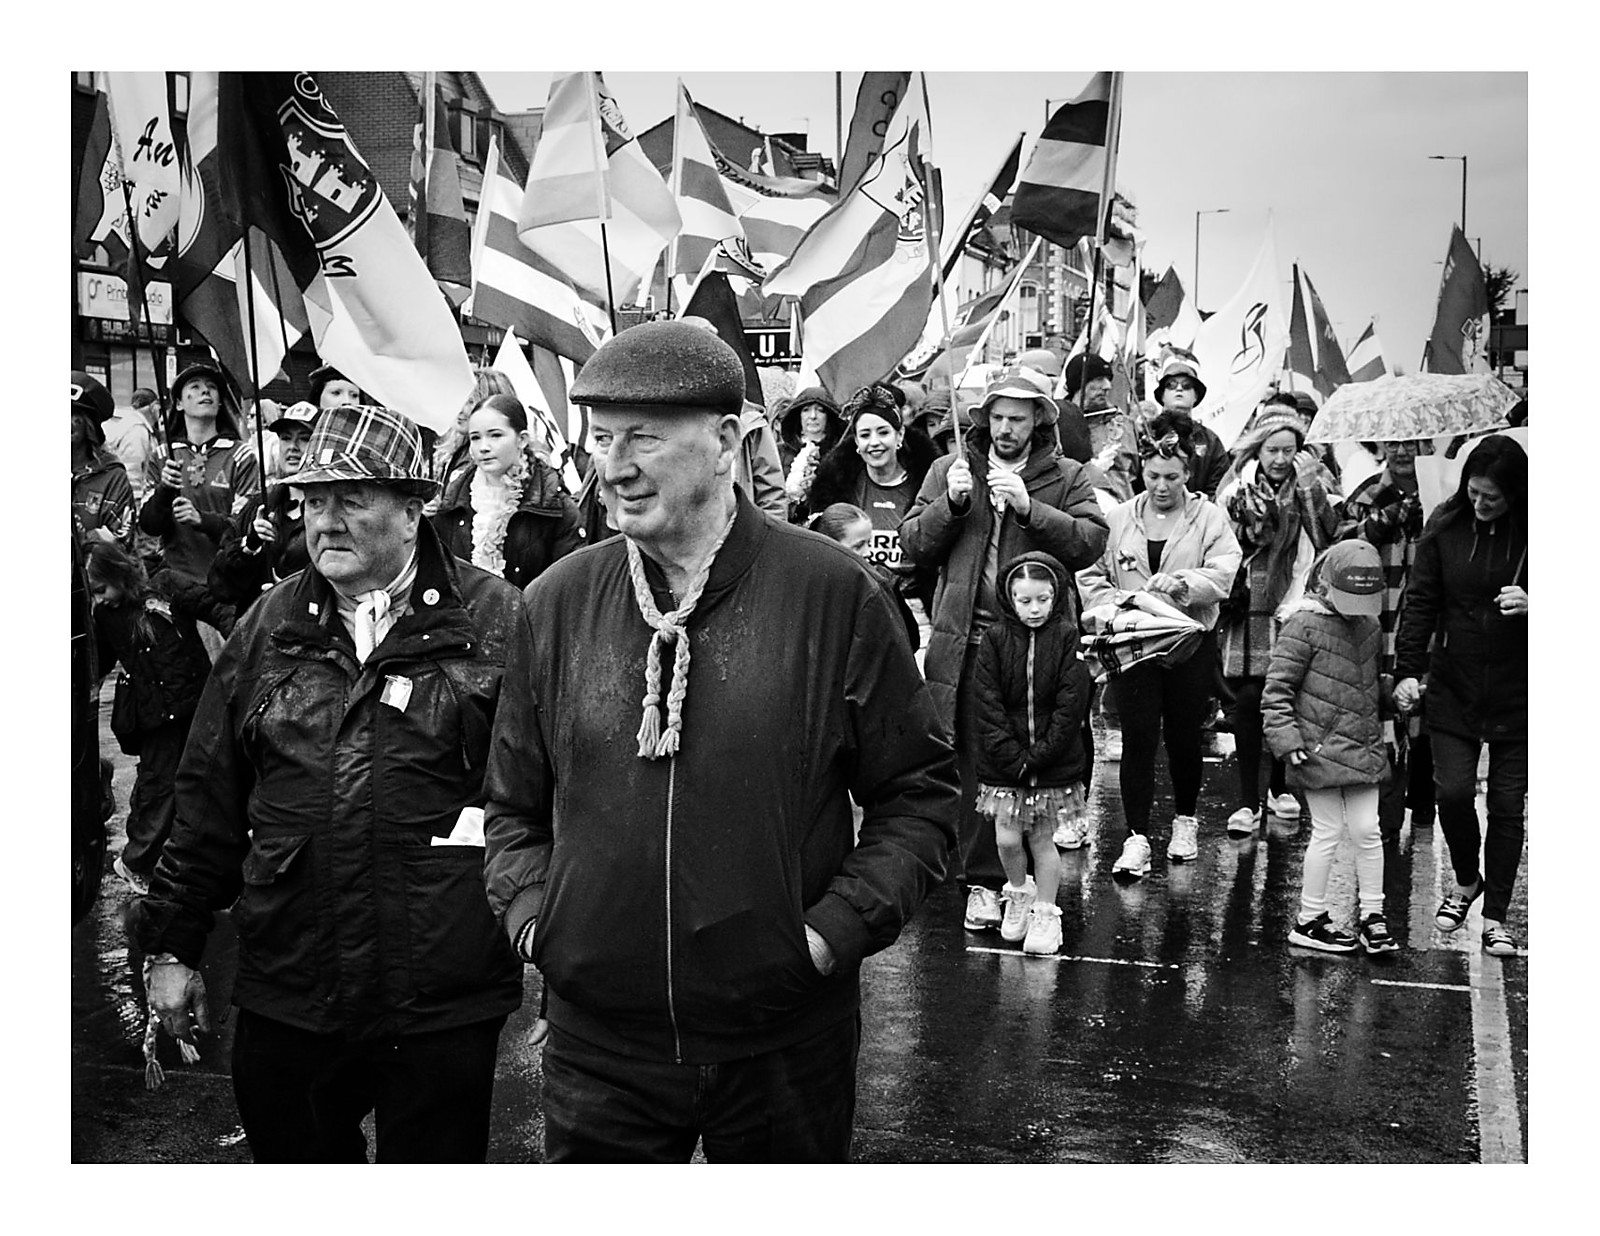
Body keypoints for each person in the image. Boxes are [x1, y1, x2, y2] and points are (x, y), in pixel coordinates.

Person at [481, 321, 957, 1162]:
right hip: (599, 1047)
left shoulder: (834, 594)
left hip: (782, 1040)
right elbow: (513, 803)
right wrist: (536, 921)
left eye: (646, 439)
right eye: (602, 438)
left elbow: (918, 798)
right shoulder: (556, 603)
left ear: (727, 441)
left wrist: (827, 936)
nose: (616, 465)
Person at [127, 403, 526, 1162]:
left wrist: (553, 937)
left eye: (351, 498)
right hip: (292, 979)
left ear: (413, 510)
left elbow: (541, 799)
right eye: (312, 502)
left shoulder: (501, 619)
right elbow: (207, 798)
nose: (326, 521)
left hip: (442, 987)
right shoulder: (268, 625)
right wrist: (173, 948)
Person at [900, 364, 1108, 933]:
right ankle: (985, 884)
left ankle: (1031, 889)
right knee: (976, 765)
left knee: (1036, 762)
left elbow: (1091, 543)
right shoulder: (949, 468)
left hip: (1038, 647)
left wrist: (1029, 509)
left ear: (1039, 419)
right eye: (996, 417)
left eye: (1017, 418)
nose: (1005, 428)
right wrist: (952, 504)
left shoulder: (1067, 475)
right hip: (967, 642)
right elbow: (914, 543)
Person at [1076, 414, 1243, 876]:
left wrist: (1186, 584)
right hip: (1135, 644)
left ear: (1188, 473)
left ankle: (1185, 820)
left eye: (1172, 477)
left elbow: (1227, 568)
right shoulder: (1117, 518)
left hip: (1190, 642)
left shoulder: (1209, 517)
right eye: (1153, 476)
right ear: (1140, 473)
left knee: (1185, 735)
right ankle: (1136, 837)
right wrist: (1117, 603)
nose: (1162, 486)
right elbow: (1091, 574)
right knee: (1138, 738)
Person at [1394, 435, 1528, 958]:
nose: (1480, 503)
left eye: (1491, 496)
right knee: (1450, 793)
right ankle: (1467, 879)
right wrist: (1408, 671)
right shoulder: (1444, 528)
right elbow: (1421, 603)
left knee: (1507, 806)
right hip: (1453, 683)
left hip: (1521, 690)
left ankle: (1495, 913)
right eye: (1473, 492)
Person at [1263, 541, 1400, 955]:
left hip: (1361, 745)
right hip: (1316, 749)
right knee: (1327, 831)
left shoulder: (1369, 627)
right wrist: (1287, 741)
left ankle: (1373, 915)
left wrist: (1395, 696)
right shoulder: (1301, 625)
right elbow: (1277, 691)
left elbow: (1369, 686)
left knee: (1367, 831)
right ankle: (1309, 918)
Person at [1216, 404, 1341, 833]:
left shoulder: (1314, 484)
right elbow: (1239, 539)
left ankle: (1279, 787)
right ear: (1259, 448)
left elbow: (1328, 535)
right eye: (1273, 449)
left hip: (1298, 603)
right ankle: (1247, 800)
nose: (1280, 459)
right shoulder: (1236, 487)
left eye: (1290, 450)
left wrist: (1309, 489)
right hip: (1249, 607)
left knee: (1287, 702)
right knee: (1248, 702)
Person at [87, 540, 228, 896]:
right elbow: (99, 662)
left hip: (193, 704)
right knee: (157, 787)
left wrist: (243, 633)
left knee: (197, 783)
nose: (100, 599)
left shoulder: (166, 584)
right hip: (152, 716)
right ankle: (137, 860)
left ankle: (179, 862)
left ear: (117, 574)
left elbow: (213, 607)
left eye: (101, 589)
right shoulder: (106, 615)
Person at [973, 553, 1092, 954]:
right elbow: (985, 701)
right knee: (1006, 839)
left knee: (1042, 839)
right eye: (1024, 601)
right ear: (1009, 599)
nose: (1034, 609)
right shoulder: (993, 639)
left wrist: (1040, 755)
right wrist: (1010, 755)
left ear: (1056, 596)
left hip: (1050, 763)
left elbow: (1071, 702)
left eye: (1042, 599)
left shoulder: (1067, 638)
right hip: (1004, 762)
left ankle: (1045, 913)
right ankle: (1019, 893)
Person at [1342, 439, 1435, 848]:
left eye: (1412, 445)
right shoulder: (1366, 494)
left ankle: (1424, 799)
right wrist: (1380, 522)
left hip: (1425, 618)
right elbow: (1339, 547)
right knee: (1381, 712)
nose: (1403, 452)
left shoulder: (1441, 493)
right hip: (1376, 615)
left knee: (1423, 712)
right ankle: (1385, 814)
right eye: (1395, 444)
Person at [808, 382, 940, 617]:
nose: (874, 442)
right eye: (865, 435)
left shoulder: (927, 483)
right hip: (855, 606)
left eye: (883, 432)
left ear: (899, 435)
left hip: (914, 609)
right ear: (856, 442)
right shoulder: (837, 486)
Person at [431, 392, 583, 589]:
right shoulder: (452, 503)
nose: (483, 447)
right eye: (475, 438)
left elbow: (571, 584)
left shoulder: (555, 506)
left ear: (522, 440)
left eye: (495, 435)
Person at [138, 360, 260, 591]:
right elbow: (149, 527)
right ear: (179, 403)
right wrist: (163, 491)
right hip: (175, 583)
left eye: (212, 387)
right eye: (194, 386)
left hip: (226, 585)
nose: (205, 391)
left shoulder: (242, 456)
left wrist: (201, 520)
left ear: (220, 403)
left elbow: (244, 528)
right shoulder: (163, 455)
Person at [207, 401, 321, 609]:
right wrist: (248, 546)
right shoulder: (260, 506)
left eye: (304, 439)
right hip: (256, 631)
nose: (293, 447)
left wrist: (290, 593)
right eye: (286, 438)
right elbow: (220, 586)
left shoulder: (331, 512)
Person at [807, 501, 919, 653]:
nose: (868, 552)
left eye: (869, 543)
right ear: (831, 545)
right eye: (859, 546)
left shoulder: (882, 581)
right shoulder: (809, 588)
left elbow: (909, 641)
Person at [1138, 351, 1230, 499]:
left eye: (1187, 386)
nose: (1179, 389)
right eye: (1171, 385)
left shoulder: (1210, 441)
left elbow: (1219, 488)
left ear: (1196, 396)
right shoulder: (1144, 434)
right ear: (1162, 394)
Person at [71, 370, 136, 549]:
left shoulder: (112, 478)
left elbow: (121, 546)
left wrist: (79, 536)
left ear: (89, 424)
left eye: (72, 414)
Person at [776, 386, 847, 520]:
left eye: (820, 411)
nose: (813, 416)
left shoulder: (840, 455)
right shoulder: (780, 452)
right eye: (806, 410)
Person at [1055, 353, 1108, 464]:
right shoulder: (1055, 421)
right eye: (1099, 379)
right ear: (1079, 383)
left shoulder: (1121, 424)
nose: (1107, 386)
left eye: (1108, 379)